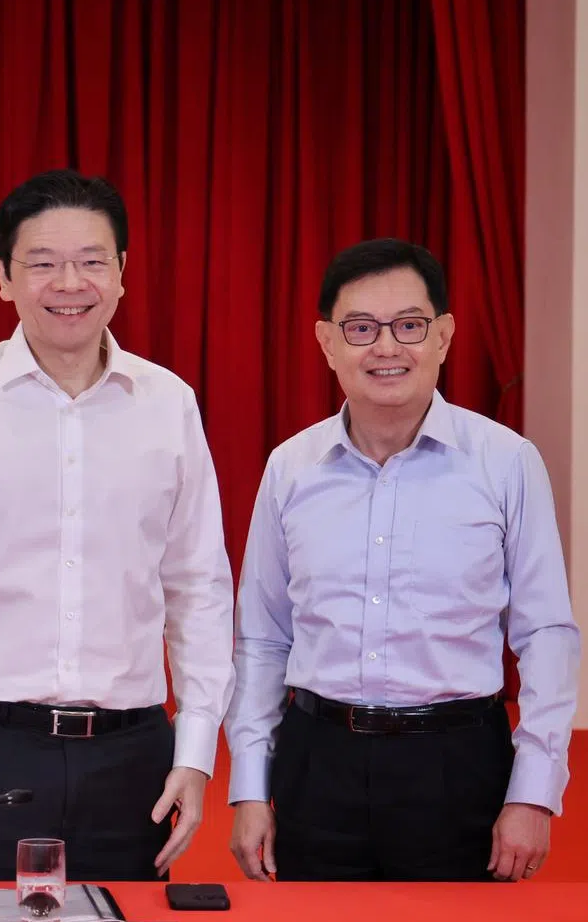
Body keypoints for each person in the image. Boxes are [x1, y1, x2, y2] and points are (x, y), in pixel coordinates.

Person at [0, 169, 235, 881]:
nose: (70, 283)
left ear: (122, 272)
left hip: (130, 759)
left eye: (92, 260)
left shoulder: (169, 403)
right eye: (42, 263)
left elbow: (199, 587)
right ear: (3, 277)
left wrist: (194, 752)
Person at [225, 237, 579, 883]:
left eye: (409, 326)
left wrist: (533, 793)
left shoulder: (506, 463)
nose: (386, 347)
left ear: (443, 335)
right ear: (327, 342)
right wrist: (250, 787)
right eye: (361, 328)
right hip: (317, 764)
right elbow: (262, 639)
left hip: (457, 766)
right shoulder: (291, 468)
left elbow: (547, 634)